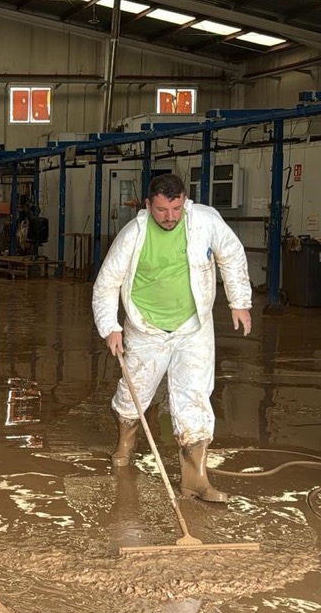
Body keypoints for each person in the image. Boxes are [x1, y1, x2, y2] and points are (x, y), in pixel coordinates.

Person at [92, 173, 252, 502]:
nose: (170, 217)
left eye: (177, 208)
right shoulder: (133, 234)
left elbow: (231, 255)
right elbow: (107, 282)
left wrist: (240, 302)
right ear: (148, 205)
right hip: (145, 327)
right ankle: (125, 444)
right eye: (163, 210)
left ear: (185, 201)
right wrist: (111, 326)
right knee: (134, 392)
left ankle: (195, 480)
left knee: (194, 398)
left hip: (193, 327)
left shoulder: (204, 222)